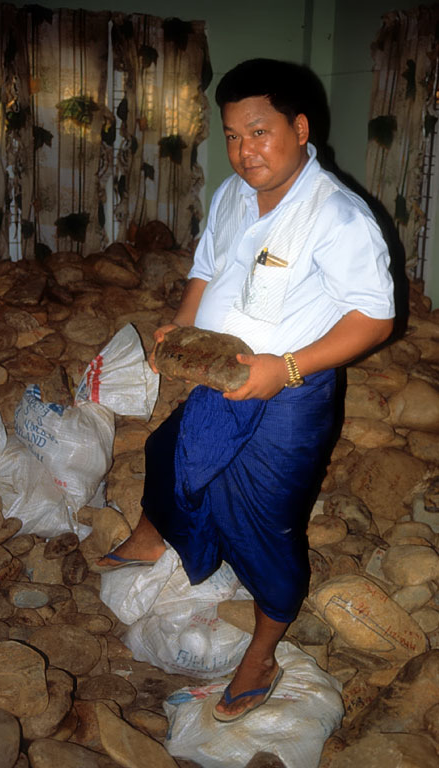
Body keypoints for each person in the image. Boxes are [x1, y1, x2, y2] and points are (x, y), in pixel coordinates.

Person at [97, 59, 395, 722]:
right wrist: (180, 327)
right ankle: (156, 534)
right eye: (231, 136)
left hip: (287, 393)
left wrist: (283, 369)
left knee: (263, 524)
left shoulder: (338, 218)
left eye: (258, 133)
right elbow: (206, 267)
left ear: (299, 128)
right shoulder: (234, 194)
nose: (243, 151)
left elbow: (375, 317)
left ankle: (261, 649)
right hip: (219, 371)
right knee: (170, 454)